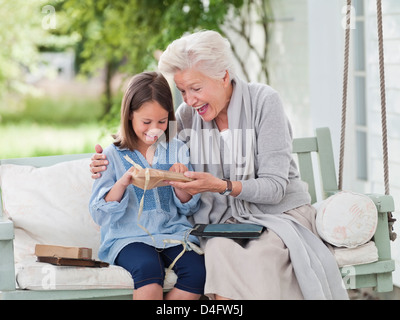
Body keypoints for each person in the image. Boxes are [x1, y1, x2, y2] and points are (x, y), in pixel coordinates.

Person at [90, 30, 348, 300]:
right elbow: (147, 143)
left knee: (259, 256)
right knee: (218, 251)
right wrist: (103, 160)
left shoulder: (264, 102)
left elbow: (274, 188)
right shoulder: (187, 115)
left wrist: (220, 186)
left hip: (278, 215)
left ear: (224, 76)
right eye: (182, 91)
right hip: (225, 222)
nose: (189, 100)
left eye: (196, 88)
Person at [89, 71, 206, 300]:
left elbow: (188, 207)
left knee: (197, 271)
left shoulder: (176, 150)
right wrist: (122, 184)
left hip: (173, 233)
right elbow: (99, 213)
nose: (154, 129)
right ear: (129, 115)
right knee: (148, 269)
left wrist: (180, 182)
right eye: (146, 122)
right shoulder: (112, 155)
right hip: (129, 237)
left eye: (162, 122)